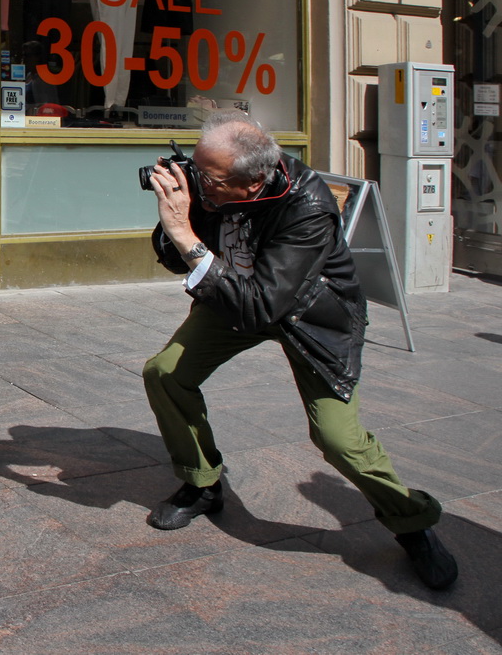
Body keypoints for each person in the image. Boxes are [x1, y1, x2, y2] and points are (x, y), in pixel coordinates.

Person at [142, 110, 458, 590]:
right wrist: (175, 225)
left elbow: (264, 305)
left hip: (308, 315)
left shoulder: (307, 208)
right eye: (196, 168)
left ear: (250, 185)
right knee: (166, 373)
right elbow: (177, 258)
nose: (194, 181)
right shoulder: (216, 181)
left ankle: (412, 522)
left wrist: (185, 233)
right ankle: (201, 482)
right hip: (234, 293)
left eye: (206, 177)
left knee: (338, 439)